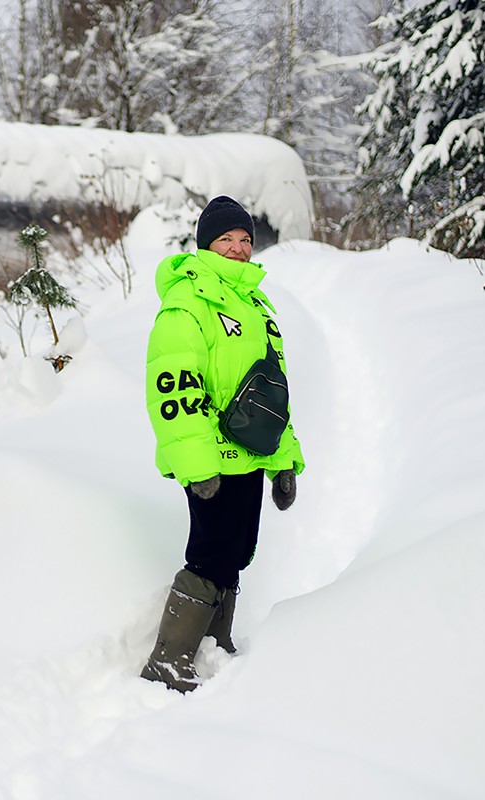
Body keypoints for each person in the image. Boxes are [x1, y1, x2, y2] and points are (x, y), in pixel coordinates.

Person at [140, 195, 305, 692]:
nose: (237, 248)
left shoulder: (256, 305)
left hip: (250, 457)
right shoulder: (188, 302)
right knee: (210, 554)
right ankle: (168, 661)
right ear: (206, 243)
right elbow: (173, 383)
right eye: (226, 239)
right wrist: (196, 461)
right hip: (211, 458)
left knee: (237, 552)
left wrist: (285, 461)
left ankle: (213, 645)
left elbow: (270, 391)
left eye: (244, 240)